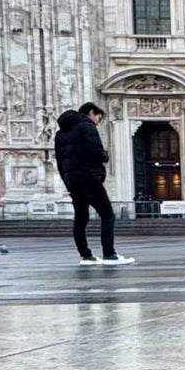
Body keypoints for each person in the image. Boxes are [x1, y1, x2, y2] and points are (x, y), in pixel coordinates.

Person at [55, 102, 133, 265]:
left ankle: (86, 256)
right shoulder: (87, 126)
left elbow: (60, 161)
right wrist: (105, 156)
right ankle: (109, 254)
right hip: (89, 178)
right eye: (98, 117)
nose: (98, 121)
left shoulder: (60, 133)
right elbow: (95, 153)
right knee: (107, 215)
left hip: (72, 181)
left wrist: (68, 182)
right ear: (91, 112)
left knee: (81, 218)